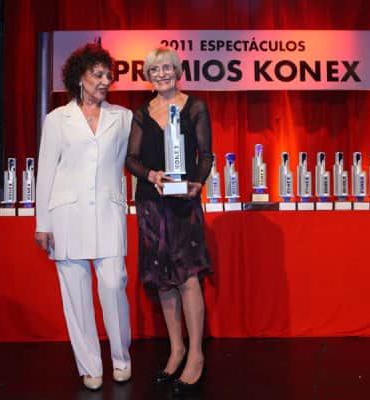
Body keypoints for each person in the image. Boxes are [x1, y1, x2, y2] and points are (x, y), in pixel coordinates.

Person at [34, 44, 132, 391]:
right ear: (79, 77)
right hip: (67, 216)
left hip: (108, 213)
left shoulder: (123, 117)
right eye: (98, 74)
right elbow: (46, 171)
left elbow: (132, 160)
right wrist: (42, 223)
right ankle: (90, 366)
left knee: (113, 285)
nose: (105, 81)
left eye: (108, 75)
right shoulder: (56, 119)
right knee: (76, 296)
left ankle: (121, 358)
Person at [126, 47, 213, 395]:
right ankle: (176, 349)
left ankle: (196, 354)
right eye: (154, 69)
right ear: (148, 76)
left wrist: (197, 184)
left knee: (188, 277)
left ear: (177, 72)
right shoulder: (141, 113)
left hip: (183, 202)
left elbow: (206, 155)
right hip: (151, 202)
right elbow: (131, 159)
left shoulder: (195, 107)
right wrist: (151, 175)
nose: (161, 73)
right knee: (163, 280)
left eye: (167, 68)